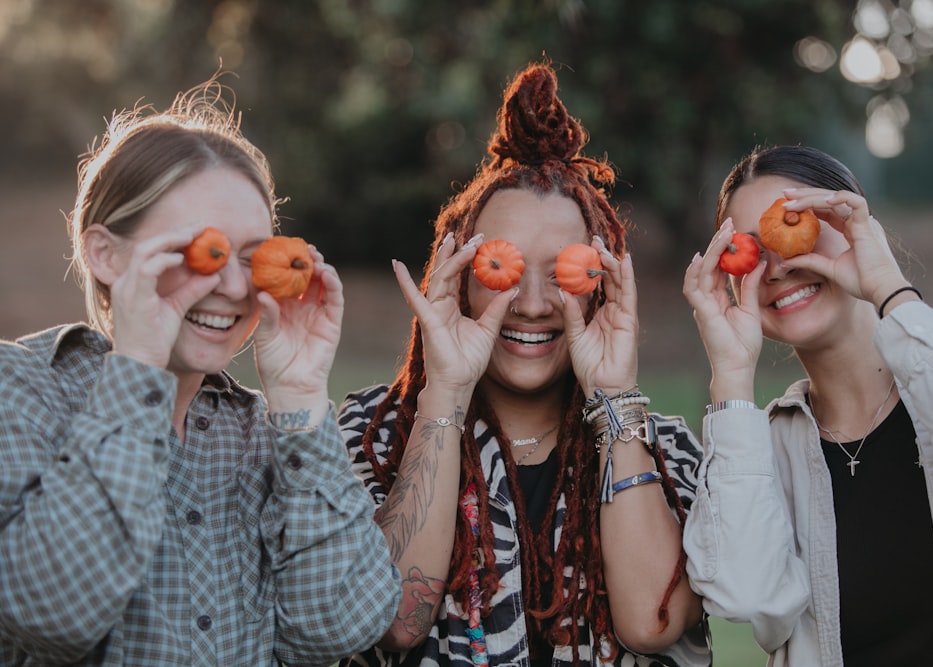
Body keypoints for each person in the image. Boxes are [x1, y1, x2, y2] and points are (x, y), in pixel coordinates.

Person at [0, 78, 401, 665]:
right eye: (202, 253)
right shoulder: (22, 390)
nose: (236, 287)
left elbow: (342, 624)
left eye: (252, 257)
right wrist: (139, 369)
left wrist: (299, 393)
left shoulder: (269, 435)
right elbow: (53, 613)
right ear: (105, 254)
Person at [337, 62, 710, 666]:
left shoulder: (668, 455)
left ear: (601, 285)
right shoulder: (374, 437)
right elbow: (395, 622)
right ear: (456, 281)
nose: (534, 305)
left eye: (567, 271)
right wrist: (445, 396)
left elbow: (652, 624)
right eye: (502, 269)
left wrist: (614, 397)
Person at [681, 144, 933, 666]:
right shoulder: (765, 453)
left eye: (798, 222)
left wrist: (889, 290)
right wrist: (733, 376)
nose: (779, 263)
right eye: (751, 249)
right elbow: (748, 598)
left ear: (856, 225)